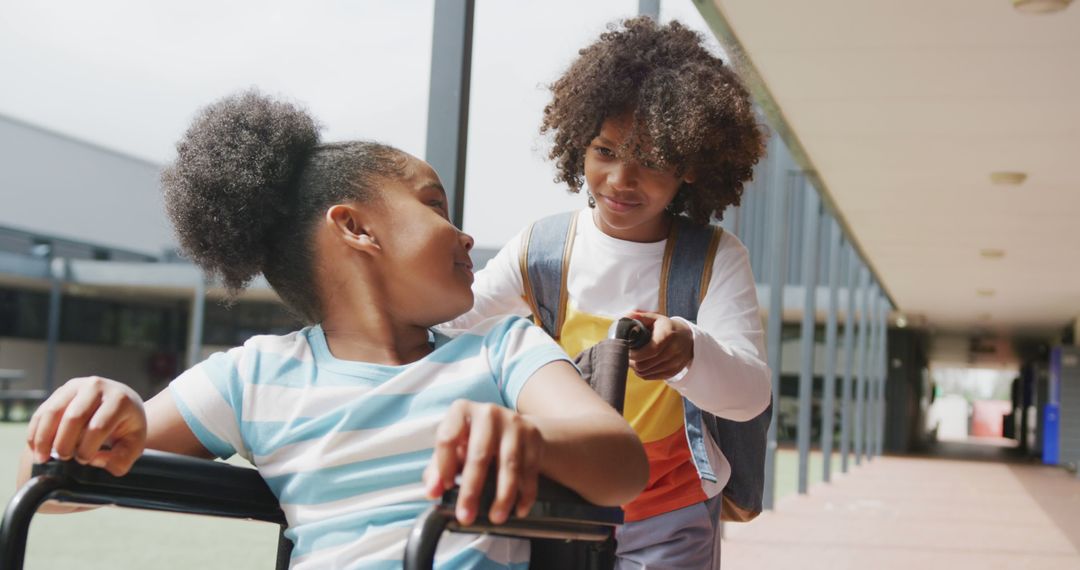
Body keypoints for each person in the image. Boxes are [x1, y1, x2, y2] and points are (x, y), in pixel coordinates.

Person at [17, 90, 648, 569]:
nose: (465, 235)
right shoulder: (254, 375)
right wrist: (93, 418)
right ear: (356, 228)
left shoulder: (504, 348)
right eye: (434, 206)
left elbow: (621, 464)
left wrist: (531, 441)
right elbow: (54, 488)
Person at [445, 17, 771, 568]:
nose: (621, 179)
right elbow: (451, 327)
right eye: (605, 151)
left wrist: (688, 349)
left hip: (671, 508)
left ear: (690, 166)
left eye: (651, 160)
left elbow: (749, 394)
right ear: (579, 145)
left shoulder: (714, 257)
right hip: (563, 500)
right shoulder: (542, 248)